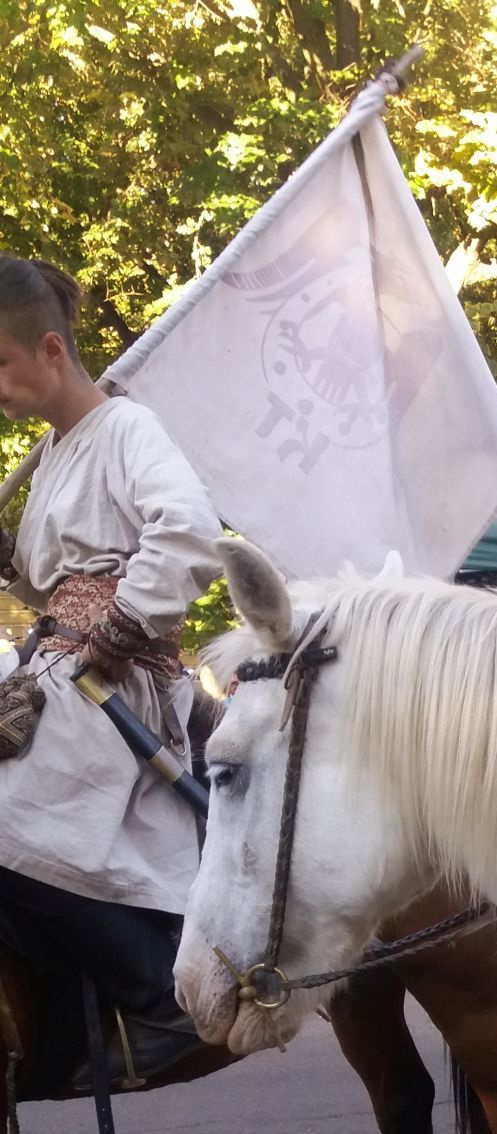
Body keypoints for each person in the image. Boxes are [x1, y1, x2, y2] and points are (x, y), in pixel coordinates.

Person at [0, 256, 220, 1082]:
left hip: (110, 686)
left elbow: (190, 533)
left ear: (51, 350)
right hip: (54, 670)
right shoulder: (57, 449)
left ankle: (158, 1002)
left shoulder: (127, 429)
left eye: (1, 363)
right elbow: (59, 581)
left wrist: (121, 628)